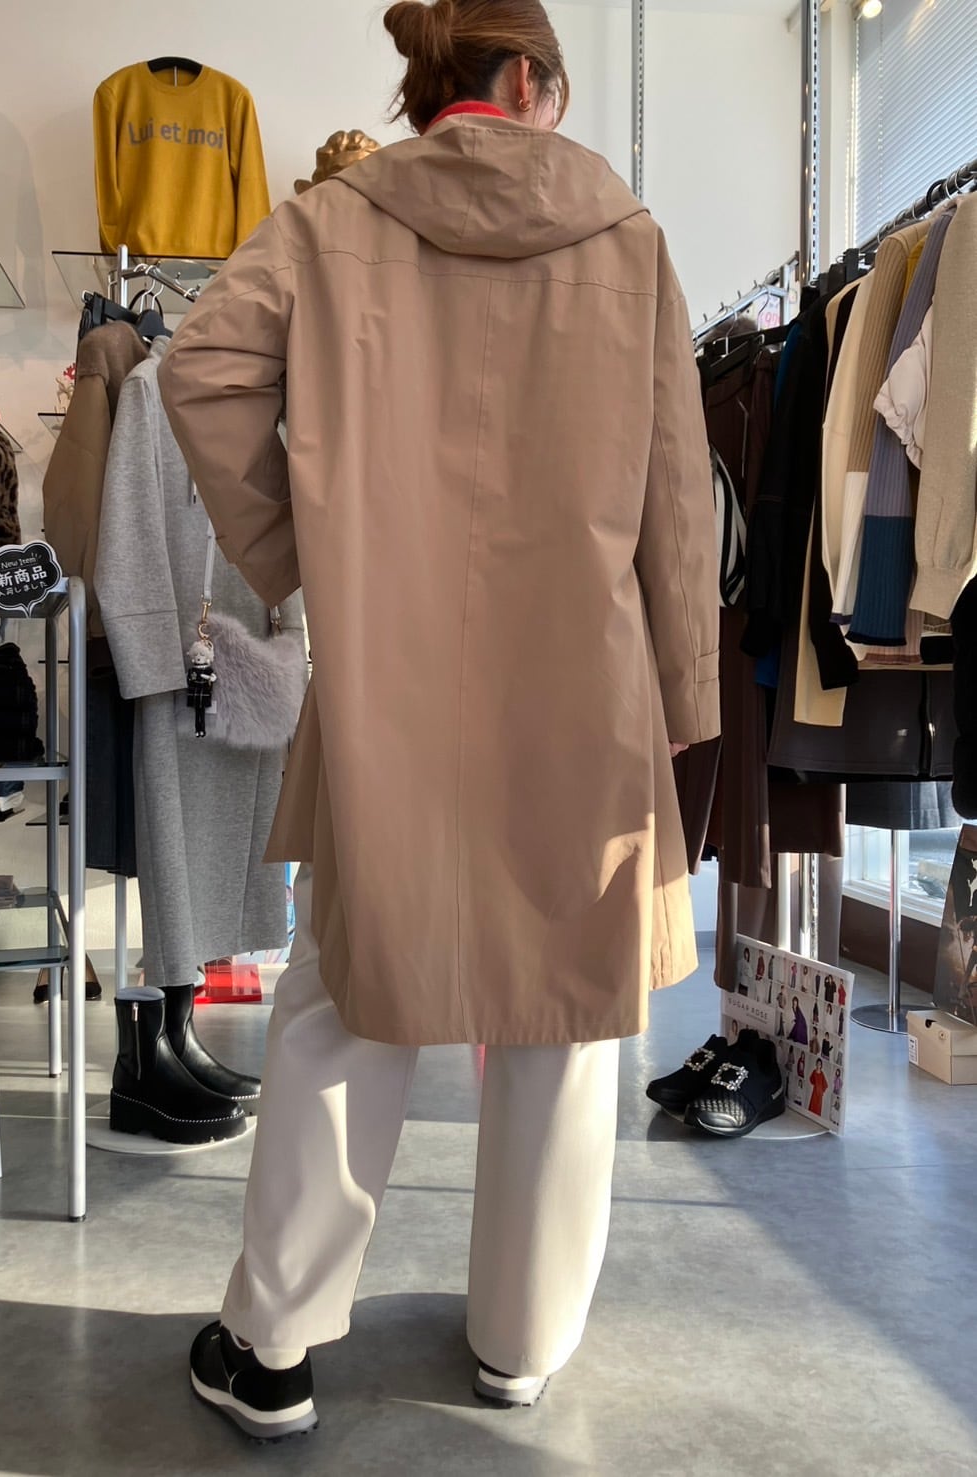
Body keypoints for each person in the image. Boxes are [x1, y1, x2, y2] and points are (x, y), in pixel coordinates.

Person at [159, 0, 718, 1444]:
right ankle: (521, 1343)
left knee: (350, 987)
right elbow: (675, 485)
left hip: (387, 670)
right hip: (583, 678)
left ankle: (273, 1346)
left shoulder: (329, 222)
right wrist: (687, 685)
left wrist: (307, 554)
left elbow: (198, 371)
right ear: (528, 78)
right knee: (565, 1004)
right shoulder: (628, 238)